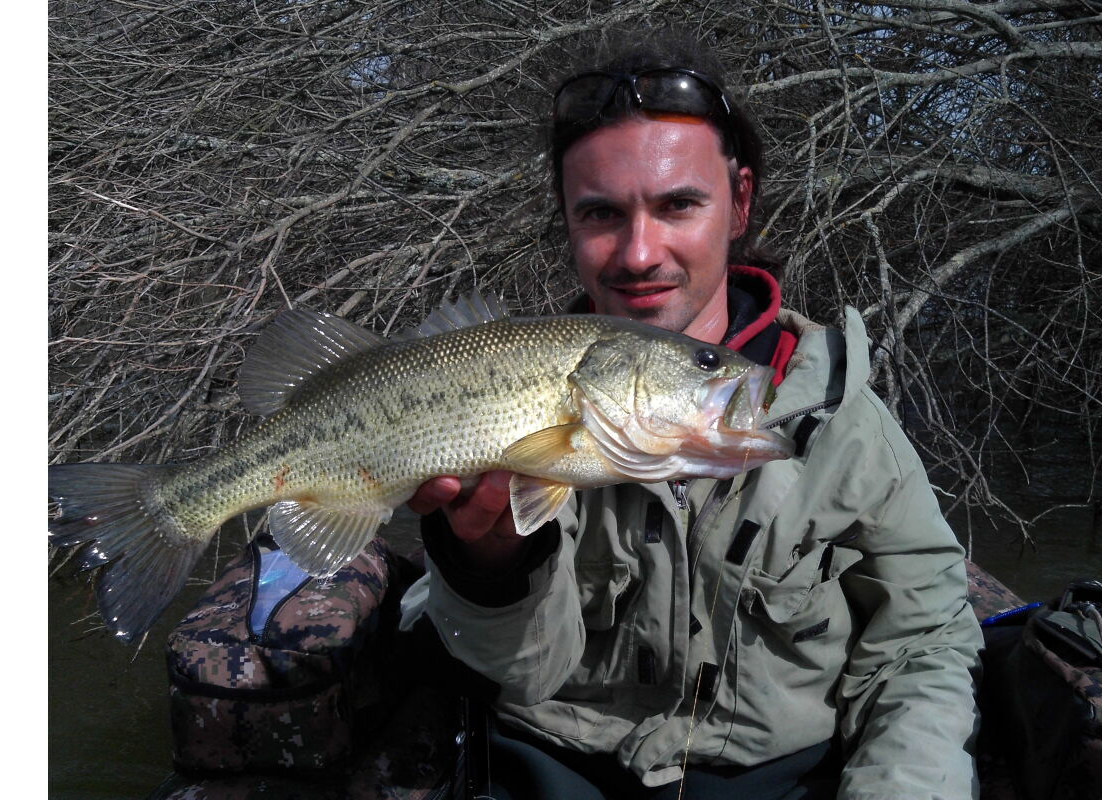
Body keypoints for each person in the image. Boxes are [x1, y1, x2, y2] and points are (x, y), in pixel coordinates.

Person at [399, 30, 984, 800]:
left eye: (678, 204)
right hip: (554, 764)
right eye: (601, 213)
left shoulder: (837, 419)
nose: (639, 253)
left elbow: (923, 642)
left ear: (738, 203)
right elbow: (519, 674)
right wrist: (490, 566)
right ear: (568, 223)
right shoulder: (510, 401)